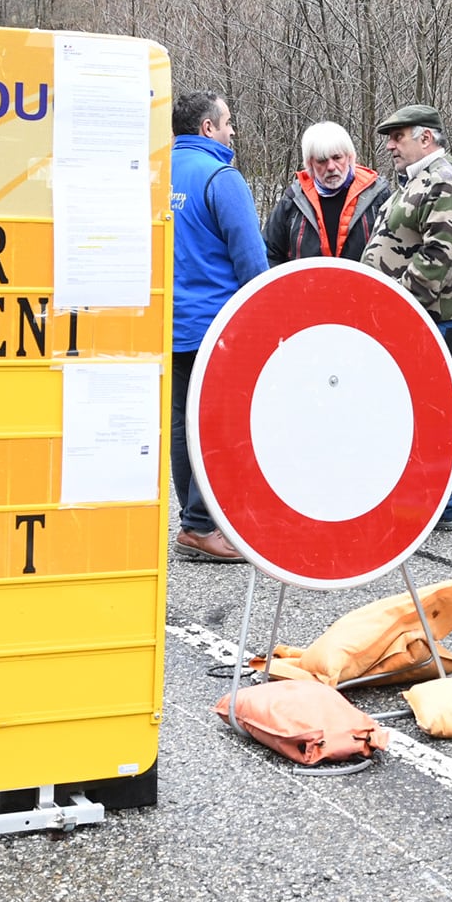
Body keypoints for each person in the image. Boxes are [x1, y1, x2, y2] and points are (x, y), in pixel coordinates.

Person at [362, 104, 452, 533]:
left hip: (439, 317)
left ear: (425, 138)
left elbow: (439, 256)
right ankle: (420, 502)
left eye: (398, 136)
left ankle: (439, 505)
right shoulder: (415, 181)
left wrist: (397, 307)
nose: (390, 145)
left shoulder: (448, 181)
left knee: (426, 414)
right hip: (416, 316)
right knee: (406, 410)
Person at [169, 90, 270, 562]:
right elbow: (250, 258)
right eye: (227, 122)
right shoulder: (221, 177)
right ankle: (201, 525)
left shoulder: (155, 173)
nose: (232, 130)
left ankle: (194, 520)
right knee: (214, 423)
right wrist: (264, 319)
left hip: (166, 324)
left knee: (180, 421)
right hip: (215, 326)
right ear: (207, 128)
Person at [262, 121, 392, 265]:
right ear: (310, 163)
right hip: (307, 286)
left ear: (349, 157)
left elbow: (395, 252)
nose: (330, 167)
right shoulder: (293, 201)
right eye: (322, 161)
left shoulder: (378, 196)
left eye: (337, 158)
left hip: (365, 286)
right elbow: (269, 254)